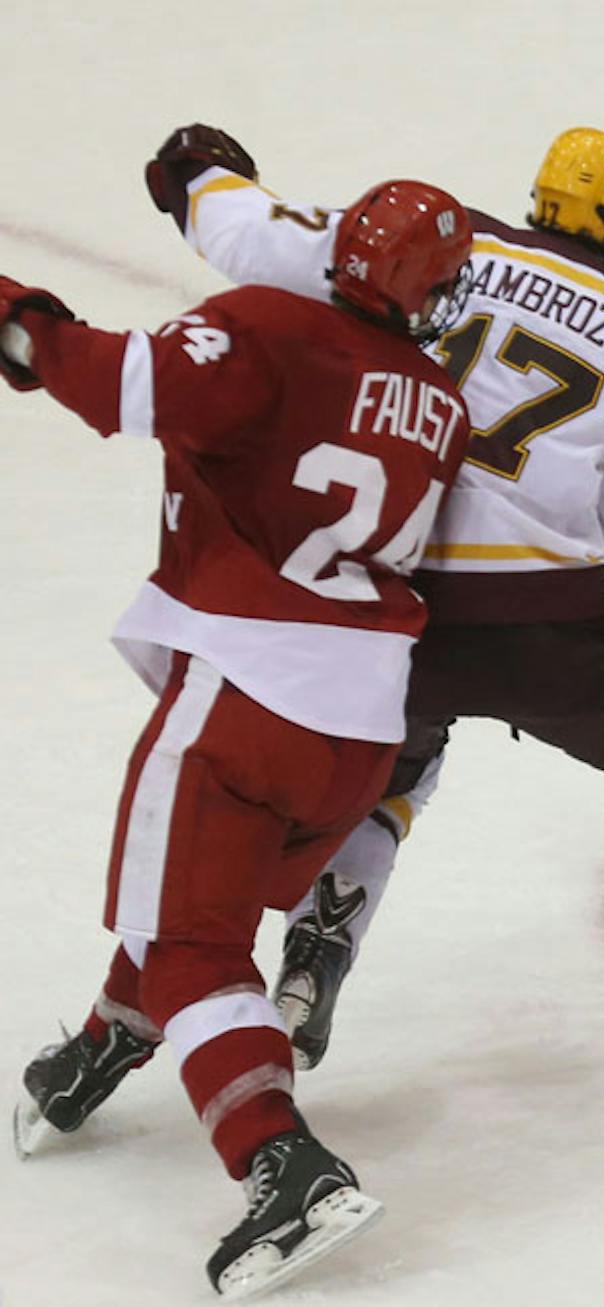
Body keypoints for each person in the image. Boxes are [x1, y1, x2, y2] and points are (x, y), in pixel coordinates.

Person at [140, 124, 604, 1104]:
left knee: (394, 752)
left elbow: (261, 236)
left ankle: (313, 955)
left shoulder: (442, 244)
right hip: (544, 624)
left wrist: (201, 176)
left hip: (387, 605)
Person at [6, 180, 475, 1296]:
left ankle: (282, 1160)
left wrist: (16, 310)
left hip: (247, 699)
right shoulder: (442, 403)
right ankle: (108, 1040)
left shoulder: (269, 324)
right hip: (360, 735)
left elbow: (114, 382)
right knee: (194, 908)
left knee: (189, 945)